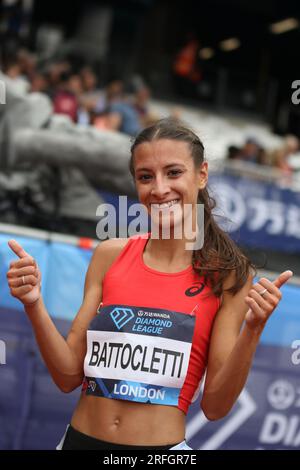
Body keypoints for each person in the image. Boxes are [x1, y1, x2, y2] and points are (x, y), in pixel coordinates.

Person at [6, 118, 293, 450]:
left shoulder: (229, 275)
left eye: (173, 173)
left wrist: (253, 329)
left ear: (201, 175)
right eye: (145, 177)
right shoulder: (109, 255)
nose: (159, 189)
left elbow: (215, 407)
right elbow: (67, 375)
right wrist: (33, 304)